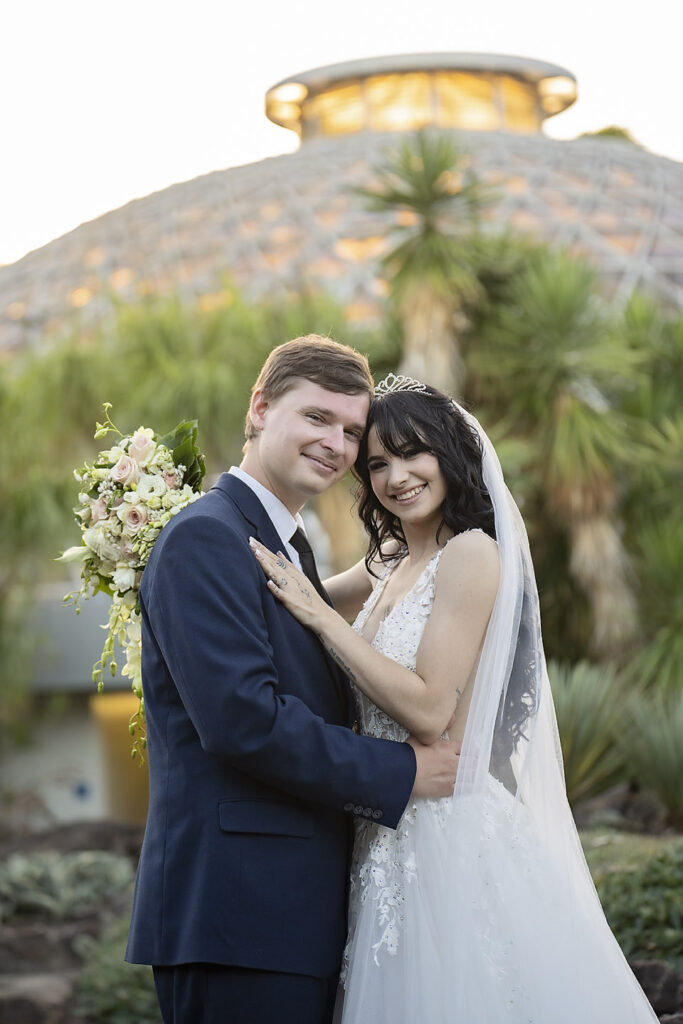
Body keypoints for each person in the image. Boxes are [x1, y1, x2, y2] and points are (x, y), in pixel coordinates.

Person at [250, 373, 659, 1024]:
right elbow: (287, 597)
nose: (396, 476)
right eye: (377, 463)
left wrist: (325, 623)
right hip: (380, 828)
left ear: (449, 455)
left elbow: (428, 708)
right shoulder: (388, 560)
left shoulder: (470, 554)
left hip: (445, 833)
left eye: (413, 453)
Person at [125, 340, 460, 1024]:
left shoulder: (288, 546)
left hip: (288, 916)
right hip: (238, 917)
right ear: (260, 407)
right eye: (316, 419)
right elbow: (242, 719)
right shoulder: (205, 537)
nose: (335, 444)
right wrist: (402, 771)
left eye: (348, 432)